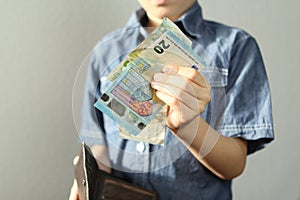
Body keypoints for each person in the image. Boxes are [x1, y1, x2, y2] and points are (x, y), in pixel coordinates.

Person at [69, 0, 274, 199]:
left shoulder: (236, 47)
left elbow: (234, 164)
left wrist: (188, 126)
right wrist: (88, 177)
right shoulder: (106, 51)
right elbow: (97, 141)